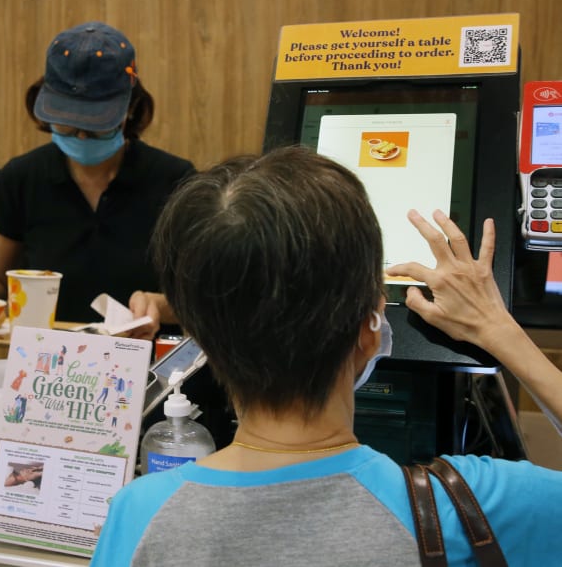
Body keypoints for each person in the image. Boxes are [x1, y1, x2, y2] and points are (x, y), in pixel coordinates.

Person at [90, 148, 562, 566]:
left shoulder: (138, 516)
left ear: (202, 342)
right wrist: (501, 331)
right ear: (370, 332)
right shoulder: (477, 508)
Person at [0, 22, 193, 339]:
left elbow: (203, 298)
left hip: (147, 368)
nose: (80, 136)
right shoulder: (22, 178)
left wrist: (160, 304)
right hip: (47, 367)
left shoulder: (175, 181)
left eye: (96, 125)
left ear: (129, 108)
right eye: (66, 124)